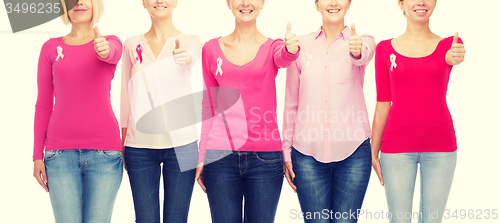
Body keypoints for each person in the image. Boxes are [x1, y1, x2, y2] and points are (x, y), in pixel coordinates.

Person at [194, 0, 299, 222]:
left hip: (265, 160)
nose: (245, 3)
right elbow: (209, 106)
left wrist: (291, 49)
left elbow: (284, 57)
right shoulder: (211, 49)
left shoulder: (274, 47)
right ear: (228, 3)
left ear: (262, 3)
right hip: (220, 157)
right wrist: (202, 155)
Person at [371, 0, 466, 222]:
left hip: (441, 148)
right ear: (401, 4)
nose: (421, 2)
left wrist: (457, 57)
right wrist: (373, 151)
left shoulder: (449, 45)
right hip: (396, 150)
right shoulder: (384, 49)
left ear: (435, 3)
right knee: (399, 220)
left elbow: (454, 56)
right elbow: (383, 103)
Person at [282, 0, 375, 222]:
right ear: (316, 4)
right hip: (306, 155)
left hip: (354, 153)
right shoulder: (300, 45)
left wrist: (356, 50)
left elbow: (363, 54)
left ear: (350, 2)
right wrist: (286, 150)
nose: (333, 3)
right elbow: (291, 102)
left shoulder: (363, 41)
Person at [32, 0, 123, 222]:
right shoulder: (50, 48)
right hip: (59, 155)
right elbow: (43, 103)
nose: (80, 2)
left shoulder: (109, 42)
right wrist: (36, 155)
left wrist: (104, 49)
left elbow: (112, 53)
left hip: (105, 155)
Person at [120, 0, 202, 222]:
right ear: (144, 3)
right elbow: (125, 95)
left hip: (182, 146)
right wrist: (123, 140)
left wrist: (185, 57)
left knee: (177, 218)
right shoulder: (130, 44)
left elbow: (192, 56)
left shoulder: (189, 41)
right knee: (145, 219)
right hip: (139, 147)